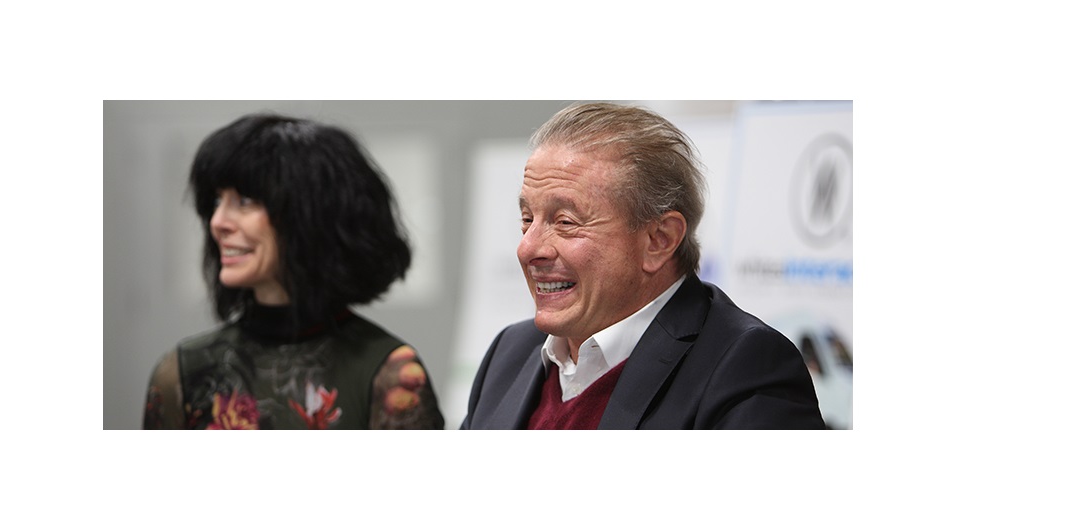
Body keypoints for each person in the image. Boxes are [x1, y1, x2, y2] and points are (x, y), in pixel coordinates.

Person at [460, 102, 825, 429]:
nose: (528, 248)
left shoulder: (745, 368)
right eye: (527, 219)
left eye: (565, 222)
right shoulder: (510, 351)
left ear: (659, 240)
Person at [143, 113, 444, 429]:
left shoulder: (390, 375)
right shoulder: (182, 373)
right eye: (217, 200)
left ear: (311, 215)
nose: (218, 221)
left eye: (244, 200)